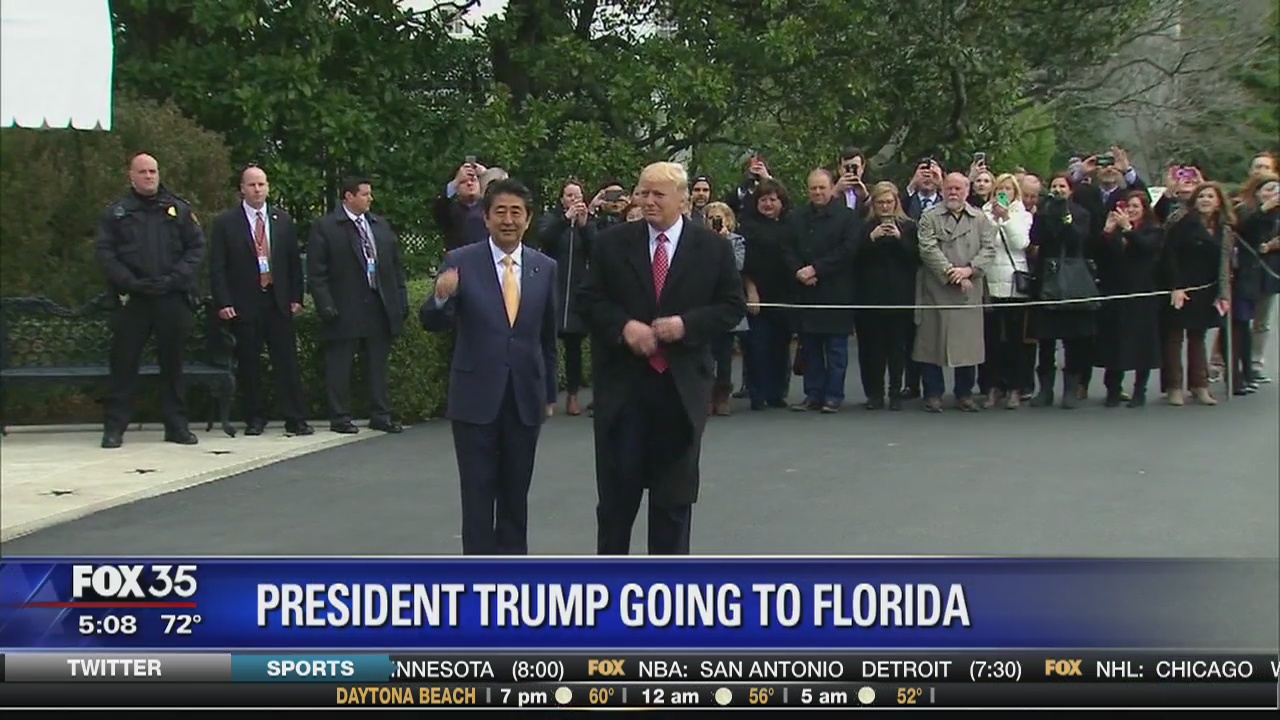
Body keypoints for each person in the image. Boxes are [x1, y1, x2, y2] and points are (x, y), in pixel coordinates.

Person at [577, 161, 746, 555]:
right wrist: (624, 328)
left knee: (672, 506)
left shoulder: (712, 248)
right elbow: (588, 300)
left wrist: (686, 326)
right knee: (617, 506)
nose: (648, 201)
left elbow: (731, 305)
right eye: (643, 192)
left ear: (684, 200)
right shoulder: (612, 243)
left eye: (658, 194)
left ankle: (668, 596)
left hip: (679, 391)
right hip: (624, 391)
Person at [421, 179, 559, 555]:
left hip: (524, 398)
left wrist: (549, 392)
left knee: (516, 494)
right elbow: (433, 322)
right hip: (475, 398)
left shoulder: (544, 268)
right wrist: (439, 297)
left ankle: (513, 576)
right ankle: (479, 577)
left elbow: (546, 338)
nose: (508, 220)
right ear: (486, 218)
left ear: (528, 220)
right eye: (500, 212)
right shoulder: (460, 261)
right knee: (478, 495)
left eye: (516, 212)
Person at [94, 153, 205, 449]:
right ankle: (115, 428)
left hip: (171, 296)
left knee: (173, 365)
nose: (149, 176)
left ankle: (177, 426)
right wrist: (130, 282)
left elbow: (195, 248)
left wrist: (174, 279)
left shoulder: (177, 210)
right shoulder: (117, 213)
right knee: (124, 364)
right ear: (131, 176)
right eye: (142, 171)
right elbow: (106, 253)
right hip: (134, 299)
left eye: (153, 171)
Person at [208, 165, 311, 436]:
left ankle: (295, 418)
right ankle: (255, 418)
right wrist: (224, 301)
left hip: (277, 302)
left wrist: (296, 297)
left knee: (286, 362)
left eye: (262, 184)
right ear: (242, 189)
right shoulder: (226, 223)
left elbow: (292, 263)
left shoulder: (282, 220)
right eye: (252, 185)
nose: (257, 190)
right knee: (250, 364)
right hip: (245, 303)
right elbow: (217, 266)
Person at [307, 176, 409, 434]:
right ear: (348, 197)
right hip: (345, 305)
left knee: (377, 364)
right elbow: (317, 272)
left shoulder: (379, 226)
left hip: (377, 303)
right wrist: (325, 304)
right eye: (364, 194)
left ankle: (380, 413)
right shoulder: (327, 227)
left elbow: (395, 268)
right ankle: (340, 416)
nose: (369, 199)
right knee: (340, 364)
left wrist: (400, 299)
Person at [912, 172, 997, 412]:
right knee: (932, 344)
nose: (953, 193)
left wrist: (969, 270)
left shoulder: (980, 219)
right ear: (943, 189)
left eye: (959, 189)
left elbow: (989, 249)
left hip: (969, 291)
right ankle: (933, 394)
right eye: (949, 188)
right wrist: (951, 273)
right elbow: (927, 248)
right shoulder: (929, 217)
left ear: (967, 191)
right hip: (937, 289)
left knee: (967, 347)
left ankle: (964, 394)